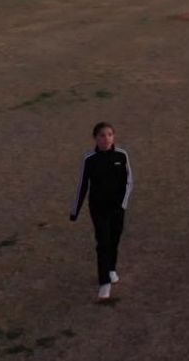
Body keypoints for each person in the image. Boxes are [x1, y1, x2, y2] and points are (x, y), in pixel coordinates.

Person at [69, 122, 134, 300]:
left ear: (114, 136)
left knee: (114, 239)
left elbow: (129, 182)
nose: (106, 139)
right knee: (103, 242)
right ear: (95, 138)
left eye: (109, 135)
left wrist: (123, 205)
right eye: (102, 135)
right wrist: (74, 211)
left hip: (117, 209)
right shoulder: (89, 159)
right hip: (98, 209)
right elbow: (82, 185)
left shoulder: (122, 155)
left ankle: (111, 268)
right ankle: (104, 282)